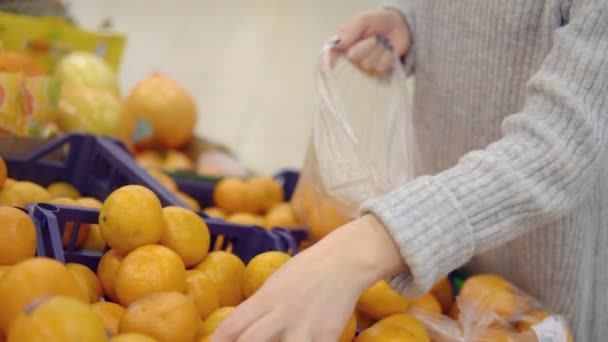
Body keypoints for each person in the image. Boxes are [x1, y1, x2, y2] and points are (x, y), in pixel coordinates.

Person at [213, 1, 608, 341]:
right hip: (440, 233)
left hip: (544, 259)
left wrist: (363, 248)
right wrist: (412, 22)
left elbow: (559, 147)